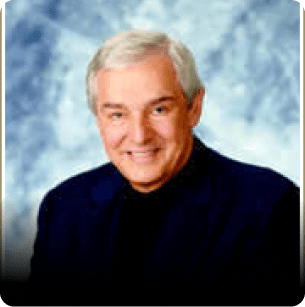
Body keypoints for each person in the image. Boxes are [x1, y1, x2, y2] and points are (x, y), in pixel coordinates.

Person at [6, 29, 303, 306]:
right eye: (117, 115)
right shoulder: (64, 207)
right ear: (98, 119)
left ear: (193, 107)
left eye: (158, 109)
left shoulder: (267, 206)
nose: (139, 135)